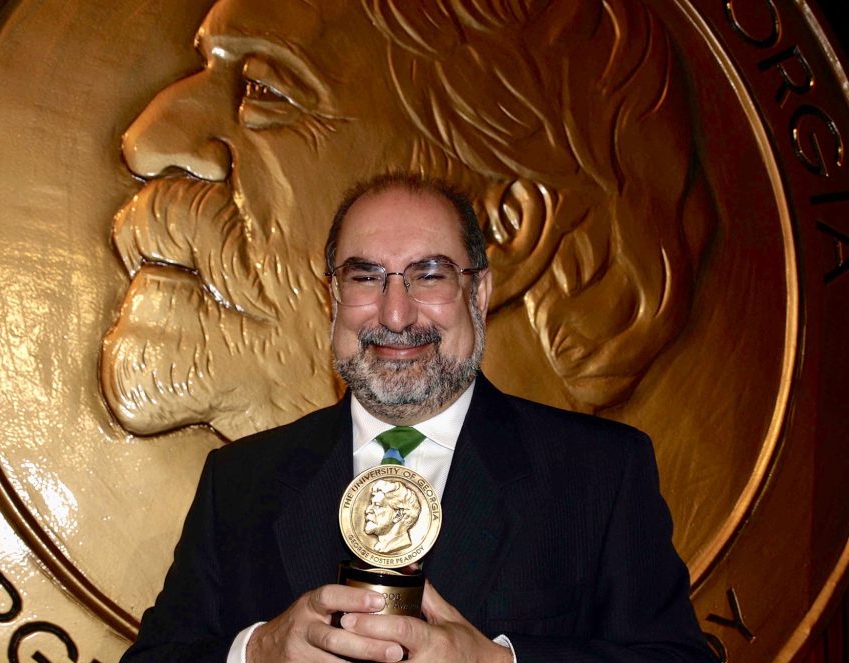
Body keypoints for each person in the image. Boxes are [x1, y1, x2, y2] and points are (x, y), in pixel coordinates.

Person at [109, 173, 731, 663]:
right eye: (366, 277)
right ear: (335, 297)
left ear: (479, 293)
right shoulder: (240, 480)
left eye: (429, 275)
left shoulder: (599, 473)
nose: (396, 314)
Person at [100, 0, 716, 443]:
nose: (146, 142)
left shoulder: (604, 506)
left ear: (499, 230)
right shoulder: (235, 495)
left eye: (268, 91)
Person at [363, 480, 422, 555]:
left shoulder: (400, 546)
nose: (368, 510)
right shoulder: (379, 547)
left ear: (398, 515)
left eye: (377, 505)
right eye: (371, 504)